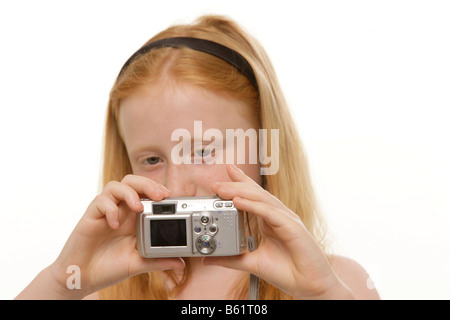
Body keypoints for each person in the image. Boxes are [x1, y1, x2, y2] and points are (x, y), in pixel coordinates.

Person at [16, 15, 380, 300]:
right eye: (152, 160)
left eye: (203, 151)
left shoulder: (337, 284)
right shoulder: (99, 290)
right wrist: (61, 283)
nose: (175, 187)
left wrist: (322, 295)